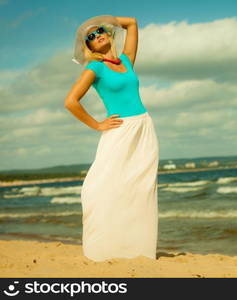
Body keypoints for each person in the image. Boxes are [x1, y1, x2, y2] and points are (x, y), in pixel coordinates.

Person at [64, 15, 159, 261]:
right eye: (91, 37)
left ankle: (136, 249)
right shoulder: (93, 68)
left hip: (144, 127)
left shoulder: (126, 60)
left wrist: (103, 20)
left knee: (141, 188)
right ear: (89, 47)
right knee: (101, 185)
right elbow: (71, 102)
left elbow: (133, 23)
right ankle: (103, 247)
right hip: (119, 129)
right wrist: (97, 124)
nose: (97, 36)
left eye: (100, 31)